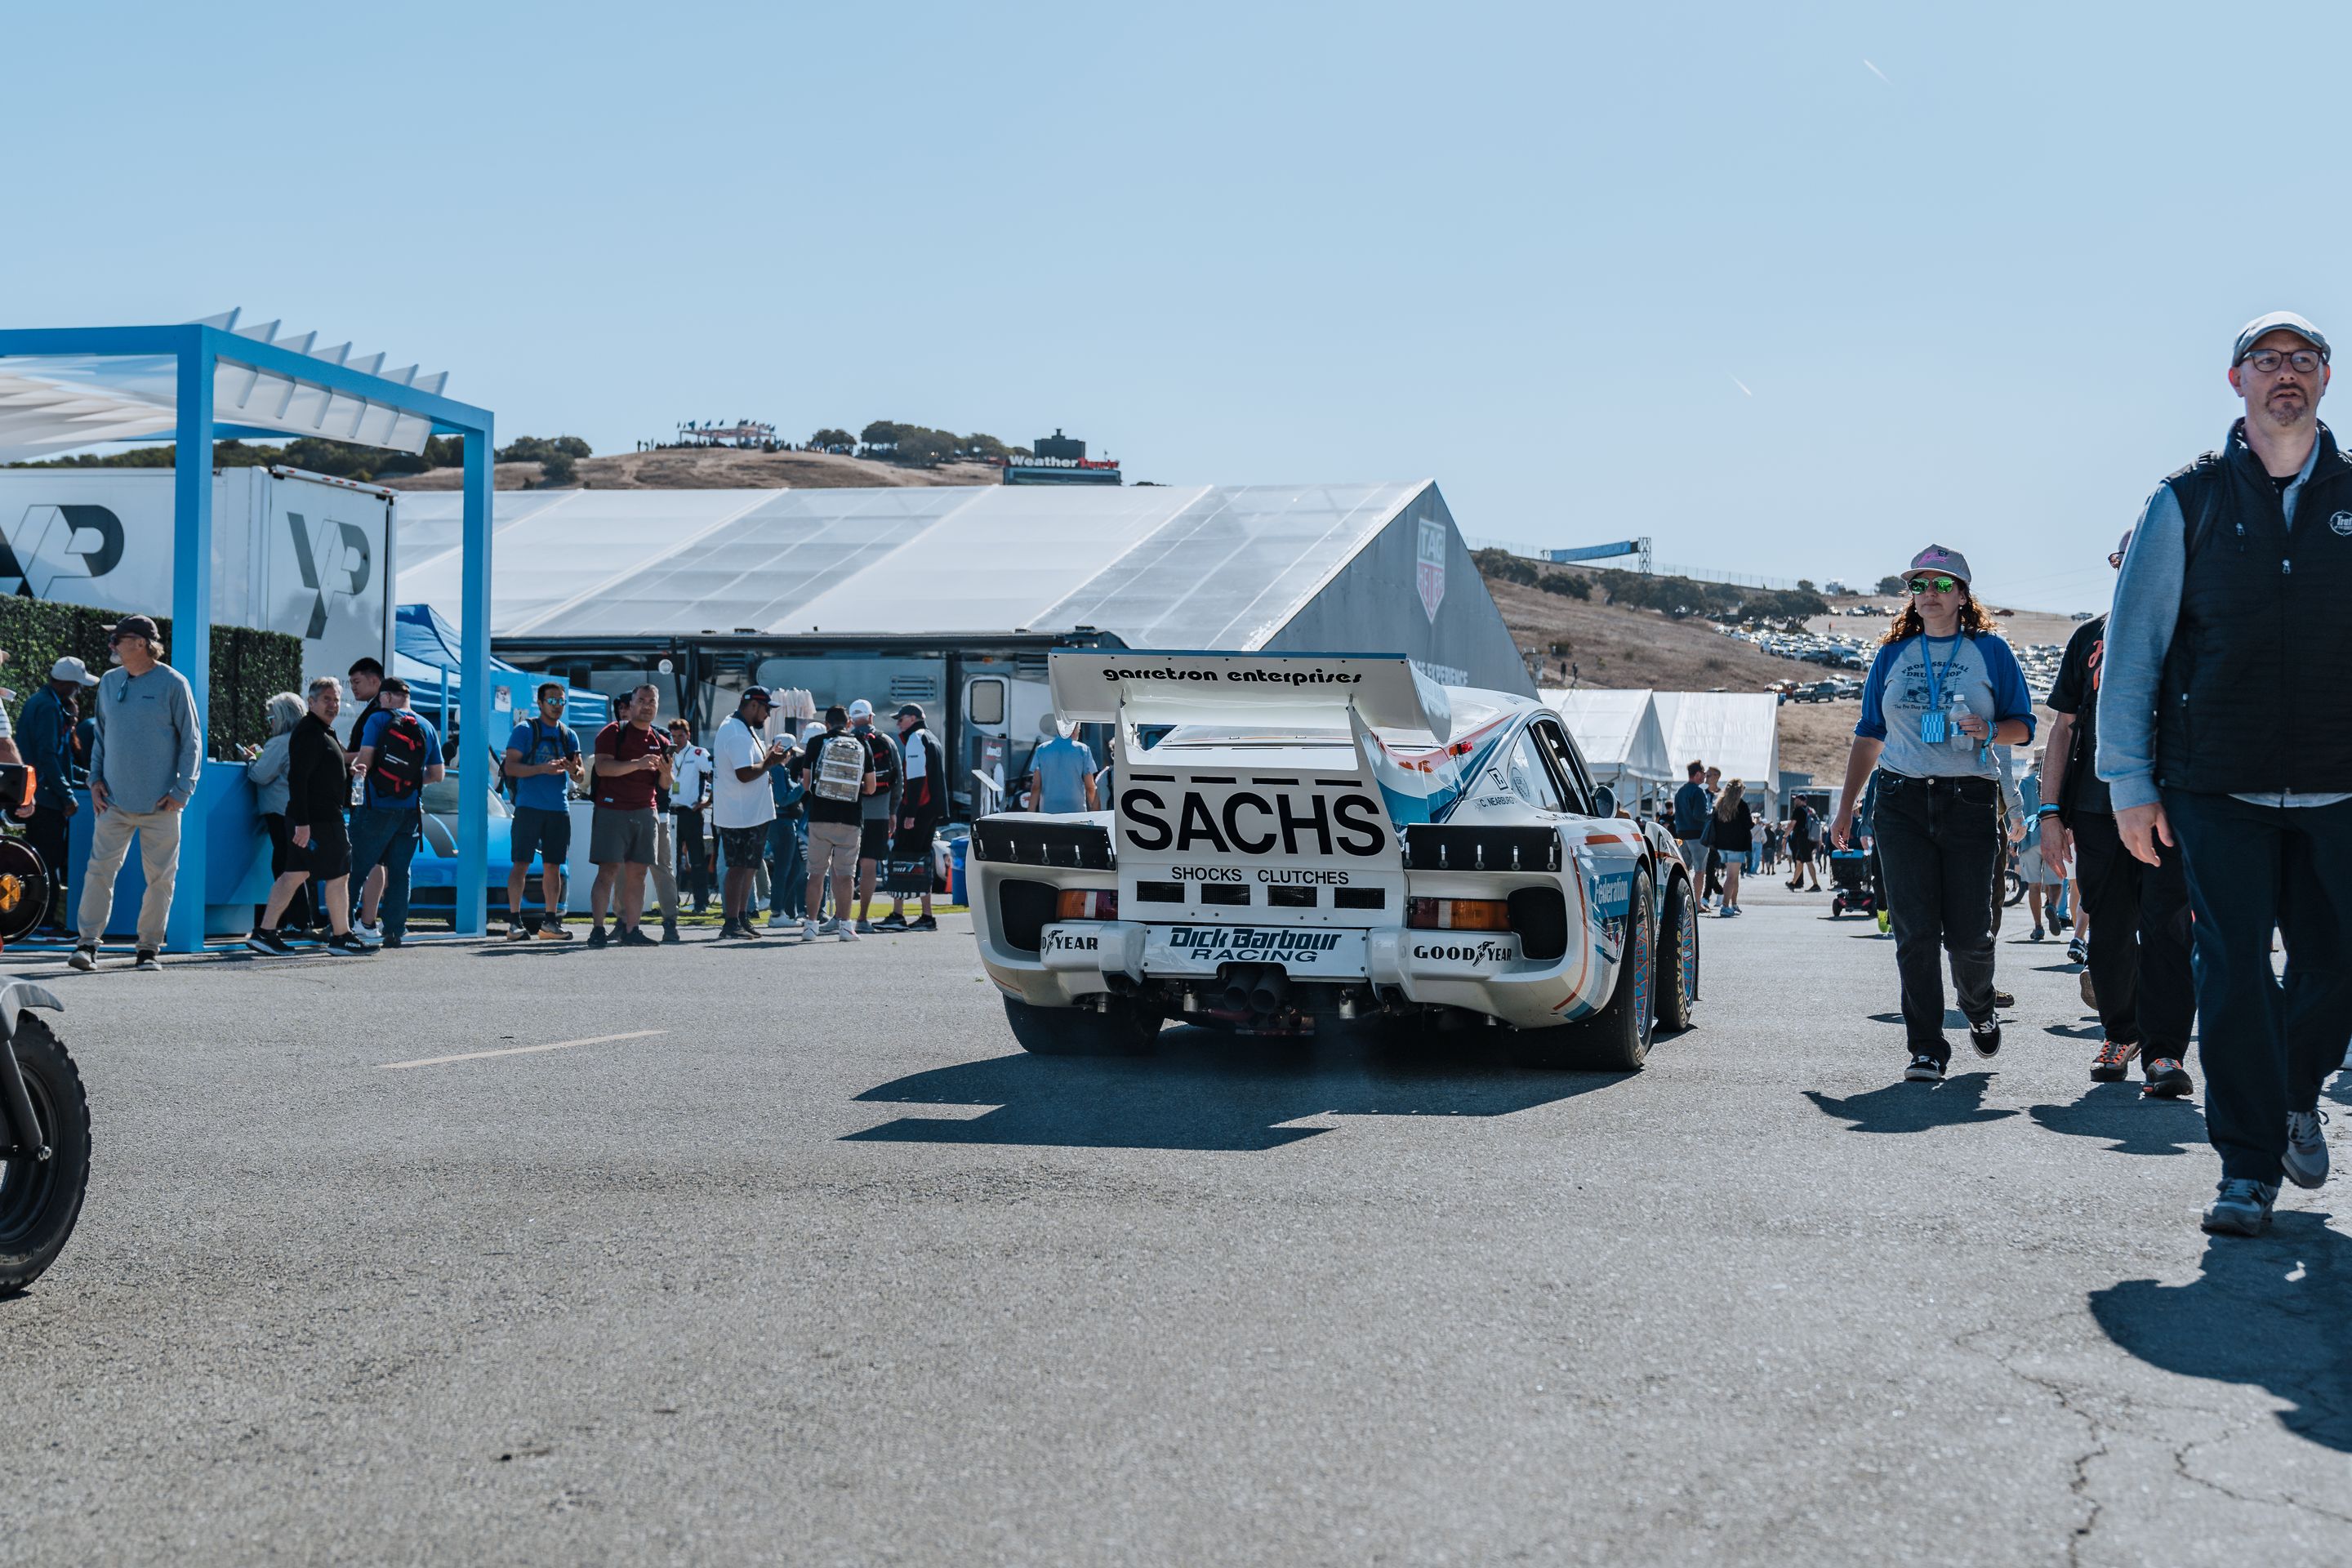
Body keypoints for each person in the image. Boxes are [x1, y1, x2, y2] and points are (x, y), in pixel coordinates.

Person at [2097, 310, 2352, 1236]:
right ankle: (2246, 1168)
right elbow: (2135, 651)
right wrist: (2127, 778)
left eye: (2304, 360)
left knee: (2338, 965)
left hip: (2341, 787)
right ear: (2235, 380)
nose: (2286, 374)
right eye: (2267, 360)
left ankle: (2293, 1091)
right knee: (2234, 971)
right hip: (2216, 786)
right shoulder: (2185, 502)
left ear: (2326, 378)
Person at [1830, 548, 2036, 1084]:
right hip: (1899, 800)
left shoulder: (1989, 651)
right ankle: (1926, 1048)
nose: (1930, 591)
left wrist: (1989, 731)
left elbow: (2023, 726)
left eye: (1943, 583)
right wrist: (1848, 805)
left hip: (1969, 800)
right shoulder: (1892, 652)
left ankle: (1980, 1005)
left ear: (1964, 595)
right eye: (1920, 583)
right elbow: (1869, 731)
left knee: (1970, 935)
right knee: (1914, 934)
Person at [2044, 531, 2193, 1097]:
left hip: (2172, 808)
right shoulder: (2090, 637)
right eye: (2127, 559)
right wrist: (2050, 813)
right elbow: (2063, 728)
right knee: (2108, 931)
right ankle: (2119, 1033)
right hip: (2097, 808)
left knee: (2168, 929)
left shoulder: (2194, 631)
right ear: (2115, 565)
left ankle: (2164, 1054)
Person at [70, 616, 201, 972]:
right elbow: (101, 737)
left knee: (160, 879)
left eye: (118, 638)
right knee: (98, 872)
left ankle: (148, 950)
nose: (111, 645)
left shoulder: (174, 683)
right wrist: (94, 781)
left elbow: (192, 741)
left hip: (162, 805)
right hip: (112, 801)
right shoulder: (110, 683)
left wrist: (182, 791)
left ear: (141, 643)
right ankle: (87, 946)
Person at [250, 677, 368, 956]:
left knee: (294, 873)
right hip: (317, 820)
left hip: (318, 817)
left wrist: (349, 776)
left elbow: (318, 775)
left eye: (337, 699)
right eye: (327, 699)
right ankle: (341, 936)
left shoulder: (325, 732)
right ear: (311, 702)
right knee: (338, 875)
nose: (333, 705)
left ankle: (265, 933)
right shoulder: (308, 732)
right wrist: (302, 823)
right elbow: (298, 778)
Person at [345, 676, 445, 950]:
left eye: (380, 698)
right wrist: (409, 782)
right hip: (410, 811)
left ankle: (340, 927)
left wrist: (353, 765)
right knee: (400, 871)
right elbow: (437, 774)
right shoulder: (426, 726)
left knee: (357, 868)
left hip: (376, 807)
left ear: (387, 697)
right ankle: (394, 930)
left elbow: (364, 760)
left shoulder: (378, 720)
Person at [587, 684, 673, 949]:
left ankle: (632, 929)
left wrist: (666, 772)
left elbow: (666, 785)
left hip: (646, 811)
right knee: (608, 871)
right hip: (612, 810)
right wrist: (637, 764)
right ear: (631, 704)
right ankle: (598, 929)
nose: (647, 705)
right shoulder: (613, 732)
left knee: (638, 873)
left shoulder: (662, 741)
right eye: (642, 700)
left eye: (652, 701)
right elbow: (602, 768)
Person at [17, 656, 96, 933]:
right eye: (77, 686)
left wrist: (86, 777)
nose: (79, 691)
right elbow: (48, 756)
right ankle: (42, 922)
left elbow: (55, 758)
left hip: (40, 793)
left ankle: (38, 919)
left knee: (41, 859)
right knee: (46, 861)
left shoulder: (42, 702)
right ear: (66, 684)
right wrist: (68, 796)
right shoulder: (49, 707)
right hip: (46, 798)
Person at [502, 683, 582, 942]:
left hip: (559, 808)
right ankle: (514, 922)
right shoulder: (525, 730)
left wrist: (573, 770)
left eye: (562, 702)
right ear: (539, 702)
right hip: (529, 807)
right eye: (552, 701)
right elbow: (511, 768)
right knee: (521, 864)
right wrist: (542, 769)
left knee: (553, 866)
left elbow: (580, 776)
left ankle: (550, 922)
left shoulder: (568, 734)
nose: (558, 706)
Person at [710, 688, 787, 938]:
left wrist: (767, 761)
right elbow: (743, 774)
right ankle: (732, 921)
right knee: (738, 868)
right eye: (767, 709)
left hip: (749, 812)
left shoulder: (743, 729)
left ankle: (740, 918)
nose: (768, 715)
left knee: (748, 867)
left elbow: (751, 768)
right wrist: (770, 763)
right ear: (754, 705)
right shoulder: (735, 731)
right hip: (739, 813)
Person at [792, 704, 869, 942]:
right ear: (848, 723)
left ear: (826, 724)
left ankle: (811, 926)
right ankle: (846, 927)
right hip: (850, 818)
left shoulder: (816, 743)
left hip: (820, 817)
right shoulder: (861, 744)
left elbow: (806, 784)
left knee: (816, 874)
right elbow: (872, 786)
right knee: (845, 875)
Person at [245, 693, 316, 944]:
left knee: (285, 867)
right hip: (302, 813)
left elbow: (260, 776)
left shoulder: (280, 743)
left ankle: (294, 922)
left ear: (283, 716)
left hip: (279, 811)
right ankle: (301, 921)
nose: (269, 722)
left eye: (271, 717)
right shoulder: (307, 739)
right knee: (298, 867)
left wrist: (252, 760)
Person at [882, 702, 943, 932]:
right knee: (922, 860)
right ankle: (927, 916)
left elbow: (916, 779)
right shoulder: (931, 737)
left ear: (914, 718)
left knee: (902, 858)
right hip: (931, 810)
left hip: (919, 810)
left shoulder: (917, 738)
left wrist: (910, 813)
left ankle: (898, 915)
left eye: (901, 718)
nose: (898, 723)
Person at [847, 699, 902, 933]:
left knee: (844, 866)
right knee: (869, 865)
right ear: (871, 717)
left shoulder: (846, 741)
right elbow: (898, 779)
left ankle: (839, 918)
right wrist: (892, 811)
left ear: (851, 720)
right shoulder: (886, 741)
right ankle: (862, 918)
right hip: (878, 813)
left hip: (849, 811)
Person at [345, 656, 390, 940]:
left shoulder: (376, 715)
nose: (353, 689)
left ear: (376, 680)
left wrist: (335, 753)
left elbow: (367, 756)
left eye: (357, 682)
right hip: (389, 798)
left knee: (367, 860)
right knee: (380, 861)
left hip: (370, 796)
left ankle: (362, 921)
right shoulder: (391, 713)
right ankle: (370, 921)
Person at [764, 723, 811, 930]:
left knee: (794, 867)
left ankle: (780, 910)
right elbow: (783, 799)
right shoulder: (777, 768)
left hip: (781, 823)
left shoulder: (777, 768)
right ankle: (777, 912)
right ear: (787, 752)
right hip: (782, 823)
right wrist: (803, 787)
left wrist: (799, 786)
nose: (792, 757)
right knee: (784, 868)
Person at [666, 717, 714, 920]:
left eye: (681, 736)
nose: (677, 740)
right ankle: (671, 901)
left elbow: (714, 775)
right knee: (671, 860)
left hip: (691, 813)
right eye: (674, 736)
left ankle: (701, 902)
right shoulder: (667, 753)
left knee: (696, 859)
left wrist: (707, 801)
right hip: (670, 812)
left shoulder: (699, 753)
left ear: (688, 735)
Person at [1026, 716, 1099, 815]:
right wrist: (1097, 813)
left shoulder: (1042, 749)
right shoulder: (1083, 750)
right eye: (1079, 729)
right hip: (1076, 811)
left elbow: (1036, 787)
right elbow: (1090, 787)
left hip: (1049, 811)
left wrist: (1030, 814)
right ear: (1074, 730)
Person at [1710, 780, 1753, 915]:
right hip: (1737, 846)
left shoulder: (1720, 804)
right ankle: (1725, 906)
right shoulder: (1742, 806)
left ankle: (1733, 903)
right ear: (1739, 791)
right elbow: (1748, 825)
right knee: (1731, 877)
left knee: (1734, 877)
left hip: (1722, 846)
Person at [1671, 761, 1709, 885]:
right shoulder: (1698, 792)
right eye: (1704, 773)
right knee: (1700, 871)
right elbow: (1700, 815)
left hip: (1681, 835)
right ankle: (1697, 903)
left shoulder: (1680, 792)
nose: (1705, 776)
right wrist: (1714, 815)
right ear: (1698, 774)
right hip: (1696, 835)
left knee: (1684, 868)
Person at [1785, 798, 1823, 891]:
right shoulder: (1810, 810)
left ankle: (1816, 885)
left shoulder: (1798, 810)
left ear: (1803, 801)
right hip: (1810, 839)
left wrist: (1785, 835)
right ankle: (1793, 883)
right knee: (1799, 861)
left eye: (1797, 800)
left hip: (1803, 840)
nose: (1795, 802)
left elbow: (1792, 824)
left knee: (1808, 861)